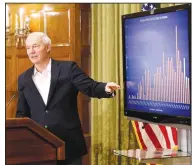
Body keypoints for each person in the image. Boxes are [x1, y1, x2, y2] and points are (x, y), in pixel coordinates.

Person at [16, 32, 120, 165]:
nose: (31, 51)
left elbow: (89, 86)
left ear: (48, 47)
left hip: (68, 144)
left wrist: (105, 87)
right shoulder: (23, 78)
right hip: (39, 147)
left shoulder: (67, 69)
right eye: (28, 47)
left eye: (35, 46)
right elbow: (22, 113)